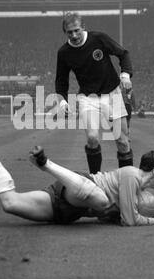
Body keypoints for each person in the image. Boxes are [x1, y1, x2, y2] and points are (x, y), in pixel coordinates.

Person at [0, 130, 154, 226]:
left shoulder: (134, 190)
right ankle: (46, 164)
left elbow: (112, 216)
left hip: (67, 207)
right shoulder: (131, 175)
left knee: (10, 203)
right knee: (102, 200)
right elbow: (129, 220)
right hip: (84, 186)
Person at [55, 12, 134, 174]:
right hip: (87, 98)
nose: (74, 35)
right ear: (65, 32)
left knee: (122, 142)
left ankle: (127, 182)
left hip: (112, 94)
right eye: (69, 32)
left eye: (76, 30)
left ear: (83, 27)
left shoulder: (98, 38)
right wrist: (62, 101)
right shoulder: (64, 52)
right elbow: (61, 81)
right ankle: (96, 180)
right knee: (92, 138)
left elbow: (123, 54)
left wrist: (125, 75)